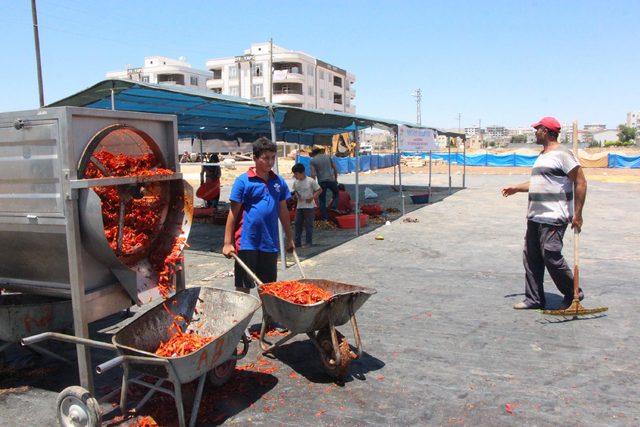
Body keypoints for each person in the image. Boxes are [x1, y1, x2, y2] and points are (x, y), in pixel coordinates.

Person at [501, 116, 587, 310]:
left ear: (547, 131)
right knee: (531, 257)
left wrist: (578, 214)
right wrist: (517, 188)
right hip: (534, 215)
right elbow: (539, 183)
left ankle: (574, 292)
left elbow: (580, 182)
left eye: (537, 129)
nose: (535, 132)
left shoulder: (563, 154)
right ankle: (534, 298)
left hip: (554, 216)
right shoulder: (542, 156)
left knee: (550, 253)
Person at [222, 137, 294, 293]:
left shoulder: (278, 182)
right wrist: (228, 243)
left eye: (273, 157)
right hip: (247, 242)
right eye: (265, 158)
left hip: (269, 243)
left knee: (268, 289)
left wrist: (290, 238)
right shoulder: (243, 181)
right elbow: (233, 213)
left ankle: (269, 318)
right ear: (255, 158)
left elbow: (283, 211)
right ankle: (242, 318)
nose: (270, 162)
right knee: (243, 288)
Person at [291, 163, 322, 248]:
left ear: (302, 172)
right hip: (299, 206)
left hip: (309, 206)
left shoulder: (310, 181)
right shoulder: (296, 182)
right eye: (294, 174)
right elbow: (295, 192)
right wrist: (296, 196)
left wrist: (312, 197)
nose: (295, 176)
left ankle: (309, 242)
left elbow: (319, 190)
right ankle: (297, 242)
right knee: (297, 224)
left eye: (296, 174)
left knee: (309, 225)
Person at [309, 147, 339, 221]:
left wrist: (313, 186)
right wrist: (335, 179)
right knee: (336, 194)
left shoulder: (313, 161)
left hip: (322, 182)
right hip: (331, 180)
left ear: (314, 153)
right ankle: (333, 207)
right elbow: (335, 168)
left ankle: (325, 218)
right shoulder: (328, 157)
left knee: (322, 200)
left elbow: (313, 174)